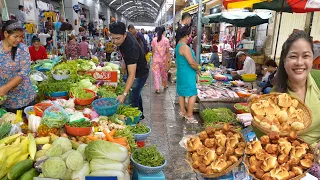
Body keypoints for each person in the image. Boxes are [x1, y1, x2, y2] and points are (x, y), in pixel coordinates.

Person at [250, 30, 320, 146]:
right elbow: (270, 141)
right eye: (293, 56)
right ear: (283, 61)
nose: (299, 62)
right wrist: (256, 117)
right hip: (293, 158)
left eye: (306, 56)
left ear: (312, 59)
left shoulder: (318, 80)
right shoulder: (276, 97)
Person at [110, 22, 149, 120]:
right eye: (113, 38)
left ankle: (135, 120)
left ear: (124, 35)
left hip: (139, 74)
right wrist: (124, 64)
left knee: (132, 98)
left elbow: (132, 75)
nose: (115, 41)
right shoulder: (126, 36)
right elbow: (125, 55)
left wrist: (124, 94)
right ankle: (140, 114)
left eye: (118, 38)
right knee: (136, 93)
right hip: (136, 68)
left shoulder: (131, 47)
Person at [0, 20, 36, 112]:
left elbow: (23, 73)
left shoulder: (22, 49)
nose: (18, 40)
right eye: (15, 36)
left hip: (25, 98)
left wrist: (5, 88)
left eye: (20, 36)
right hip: (6, 102)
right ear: (5, 34)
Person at [175, 25, 200, 124]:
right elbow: (192, 63)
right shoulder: (184, 47)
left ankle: (183, 111)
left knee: (181, 93)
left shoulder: (178, 45)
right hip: (188, 74)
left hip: (181, 72)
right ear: (186, 36)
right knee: (192, 93)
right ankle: (189, 115)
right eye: (189, 35)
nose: (190, 37)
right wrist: (198, 69)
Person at [151, 26, 170, 94]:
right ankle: (164, 85)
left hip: (155, 60)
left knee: (156, 74)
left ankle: (157, 88)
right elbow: (167, 51)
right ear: (164, 32)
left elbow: (153, 50)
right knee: (164, 73)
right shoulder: (166, 40)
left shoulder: (154, 40)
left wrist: (153, 58)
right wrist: (168, 60)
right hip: (164, 60)